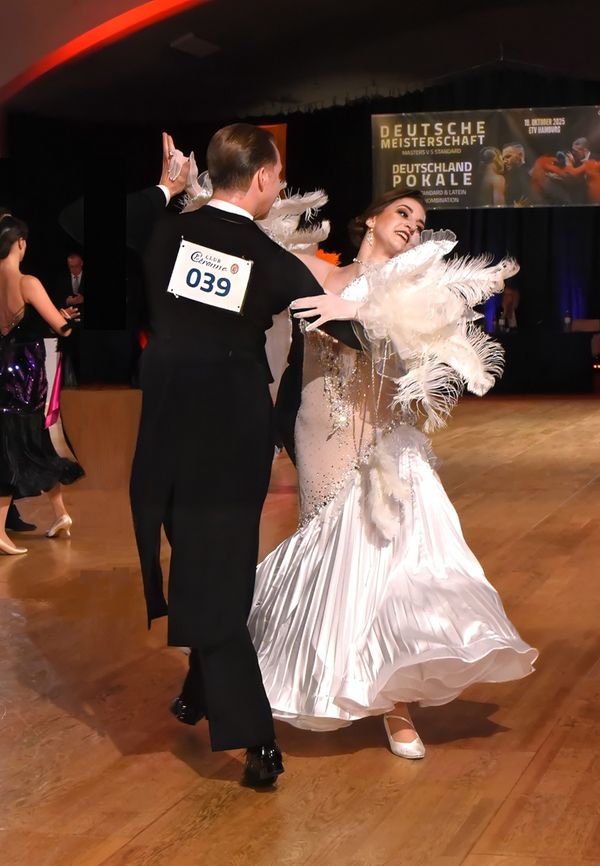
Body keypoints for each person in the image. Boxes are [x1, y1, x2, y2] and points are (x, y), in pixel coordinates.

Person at [248, 189, 537, 759]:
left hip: (384, 435)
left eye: (421, 222)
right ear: (370, 218)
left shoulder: (414, 284)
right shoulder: (320, 272)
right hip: (322, 429)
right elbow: (251, 241)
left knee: (394, 561)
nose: (411, 225)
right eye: (402, 213)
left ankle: (395, 704)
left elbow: (412, 334)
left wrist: (353, 311)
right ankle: (323, 677)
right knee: (331, 558)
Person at [127, 125, 357, 786]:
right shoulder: (267, 256)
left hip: (166, 424)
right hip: (230, 432)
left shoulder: (166, 230)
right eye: (277, 176)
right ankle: (256, 737)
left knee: (198, 556)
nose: (279, 187)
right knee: (217, 569)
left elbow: (125, 219)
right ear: (260, 178)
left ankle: (202, 687)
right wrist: (370, 313)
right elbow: (338, 323)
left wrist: (166, 186)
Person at [0, 214, 84, 555]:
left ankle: (60, 512)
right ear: (20, 243)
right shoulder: (27, 282)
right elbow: (62, 330)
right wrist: (66, 321)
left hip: (3, 366)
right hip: (26, 373)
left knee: (27, 440)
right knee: (23, 444)